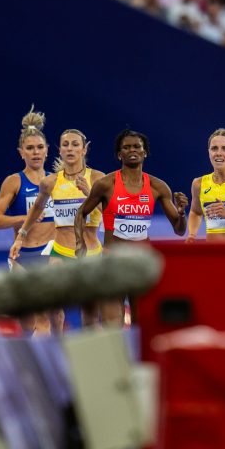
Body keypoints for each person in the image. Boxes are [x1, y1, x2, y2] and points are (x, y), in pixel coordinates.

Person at [73, 129, 188, 326]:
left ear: (145, 153)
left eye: (137, 147)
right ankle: (113, 356)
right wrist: (79, 242)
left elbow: (179, 230)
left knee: (140, 323)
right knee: (112, 323)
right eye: (126, 147)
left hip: (141, 261)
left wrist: (182, 213)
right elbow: (81, 213)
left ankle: (137, 357)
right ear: (119, 154)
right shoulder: (105, 184)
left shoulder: (158, 187)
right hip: (112, 259)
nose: (132, 150)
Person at [9, 128, 104, 329]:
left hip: (91, 253)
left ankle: (91, 356)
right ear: (59, 150)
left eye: (75, 144)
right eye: (65, 144)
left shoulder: (97, 178)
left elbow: (112, 212)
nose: (70, 149)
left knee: (90, 315)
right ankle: (57, 354)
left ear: (84, 149)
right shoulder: (50, 182)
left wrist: (90, 195)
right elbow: (37, 208)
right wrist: (21, 236)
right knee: (52, 311)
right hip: (60, 251)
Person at [0, 106, 56, 333]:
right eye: (30, 148)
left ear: (47, 150)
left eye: (39, 148)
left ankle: (44, 366)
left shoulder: (57, 181)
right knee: (26, 323)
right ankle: (29, 362)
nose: (36, 152)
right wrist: (23, 219)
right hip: (22, 257)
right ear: (21, 152)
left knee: (46, 318)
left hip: (50, 254)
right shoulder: (14, 182)